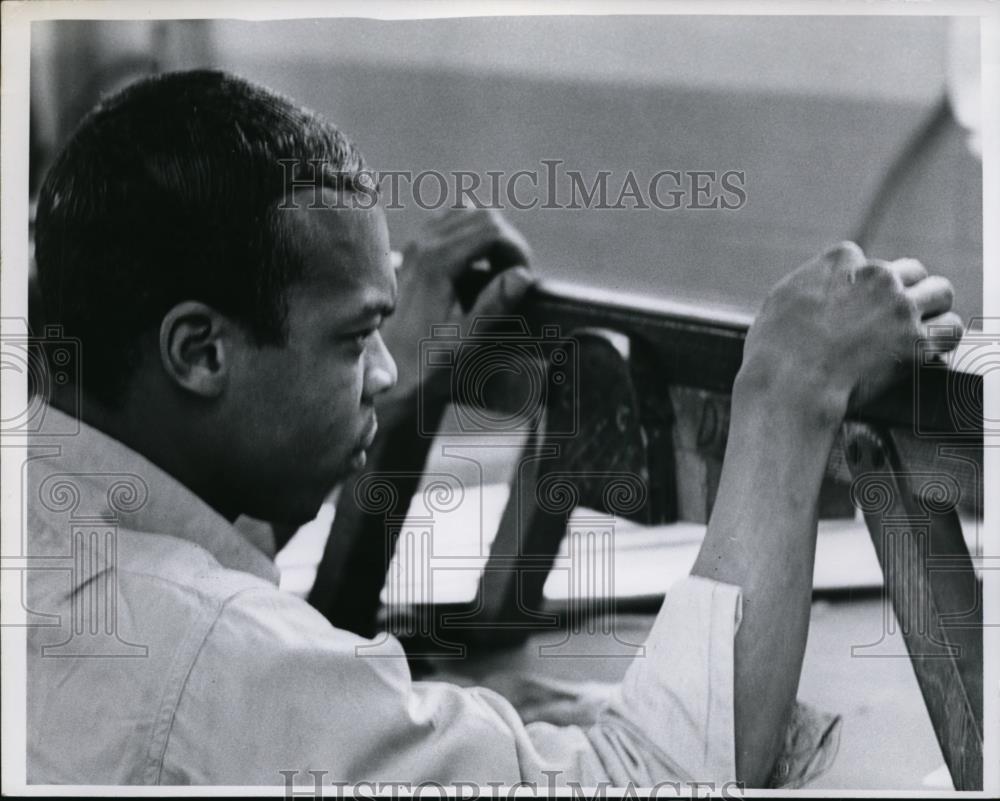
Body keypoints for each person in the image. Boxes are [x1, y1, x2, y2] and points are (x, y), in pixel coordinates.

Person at [25, 70, 961, 788]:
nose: (389, 365)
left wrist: (376, 398)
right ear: (199, 351)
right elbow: (653, 782)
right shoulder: (204, 651)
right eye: (356, 340)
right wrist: (787, 387)